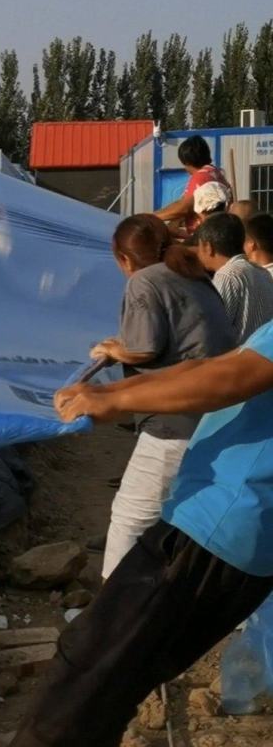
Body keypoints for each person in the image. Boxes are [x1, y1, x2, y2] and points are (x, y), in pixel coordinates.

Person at [10, 332, 273, 747]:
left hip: (216, 526)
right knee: (112, 674)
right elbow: (207, 367)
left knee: (86, 677)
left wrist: (114, 400)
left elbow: (231, 376)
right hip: (226, 526)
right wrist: (110, 391)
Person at [89, 215, 235, 578]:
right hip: (217, 416)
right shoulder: (195, 275)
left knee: (130, 517)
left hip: (176, 419)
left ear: (124, 259)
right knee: (188, 514)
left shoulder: (143, 281)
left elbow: (144, 348)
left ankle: (111, 615)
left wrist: (114, 349)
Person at [195, 213, 273, 342]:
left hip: (238, 357)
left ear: (208, 247)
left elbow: (214, 329)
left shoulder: (226, 275)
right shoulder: (261, 272)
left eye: (199, 246)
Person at [155, 135, 232, 236]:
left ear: (186, 162)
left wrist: (152, 217)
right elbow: (183, 203)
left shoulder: (200, 177)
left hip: (205, 235)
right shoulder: (215, 173)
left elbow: (184, 208)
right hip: (218, 231)